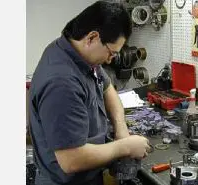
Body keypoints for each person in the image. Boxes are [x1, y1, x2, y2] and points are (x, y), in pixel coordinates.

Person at [28, 1, 150, 185]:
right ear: (92, 38)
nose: (111, 59)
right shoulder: (61, 83)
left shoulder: (77, 53)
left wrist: (121, 128)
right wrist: (126, 146)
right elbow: (71, 159)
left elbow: (107, 88)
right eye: (111, 52)